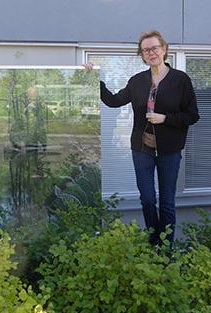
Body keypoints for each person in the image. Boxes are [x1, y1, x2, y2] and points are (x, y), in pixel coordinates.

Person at [85, 30, 199, 245]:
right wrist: (93, 79)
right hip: (142, 149)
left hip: (170, 150)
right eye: (146, 50)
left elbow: (192, 116)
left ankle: (164, 250)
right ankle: (153, 242)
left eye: (154, 48)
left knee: (166, 202)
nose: (151, 52)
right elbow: (113, 101)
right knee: (147, 199)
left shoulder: (180, 80)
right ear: (143, 55)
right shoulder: (137, 81)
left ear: (164, 50)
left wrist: (164, 118)